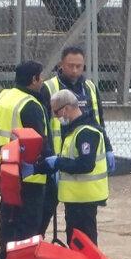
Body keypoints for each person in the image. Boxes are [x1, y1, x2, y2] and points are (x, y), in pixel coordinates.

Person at [39, 46, 113, 236]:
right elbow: (43, 127)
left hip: (77, 159)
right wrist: (50, 158)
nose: (74, 70)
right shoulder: (49, 88)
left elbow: (98, 120)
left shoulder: (89, 88)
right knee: (43, 212)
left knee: (81, 223)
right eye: (70, 66)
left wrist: (109, 147)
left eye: (79, 66)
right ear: (61, 65)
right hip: (57, 157)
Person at [0, 61, 50, 259]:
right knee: (27, 223)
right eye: (40, 78)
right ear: (34, 79)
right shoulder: (31, 105)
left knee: (8, 217)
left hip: (6, 168)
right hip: (29, 174)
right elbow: (40, 141)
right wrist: (48, 164)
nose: (42, 82)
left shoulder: (3, 98)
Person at [39, 89, 108, 244]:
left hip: (84, 198)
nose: (56, 117)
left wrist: (58, 162)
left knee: (84, 244)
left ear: (66, 108)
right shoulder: (74, 130)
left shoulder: (86, 132)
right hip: (76, 198)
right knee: (76, 242)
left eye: (56, 113)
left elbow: (85, 164)